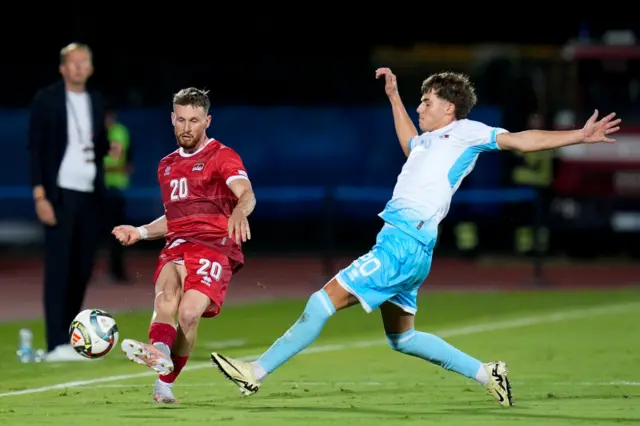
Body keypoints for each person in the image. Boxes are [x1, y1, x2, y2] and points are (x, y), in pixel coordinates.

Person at [209, 68, 621, 407]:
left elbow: (518, 141)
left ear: (450, 107)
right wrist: (394, 97)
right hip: (413, 247)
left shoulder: (466, 132)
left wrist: (577, 136)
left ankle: (255, 372)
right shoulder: (430, 141)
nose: (420, 107)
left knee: (322, 301)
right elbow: (411, 144)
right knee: (403, 338)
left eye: (426, 102)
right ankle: (486, 372)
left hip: (402, 243)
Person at [111, 87, 255, 404]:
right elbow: (173, 217)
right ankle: (158, 353)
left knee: (189, 315)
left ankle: (165, 380)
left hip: (215, 245)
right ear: (172, 119)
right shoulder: (166, 166)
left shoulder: (222, 157)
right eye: (181, 120)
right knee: (166, 298)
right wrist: (140, 231)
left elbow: (245, 192)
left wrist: (240, 211)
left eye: (194, 120)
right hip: (177, 243)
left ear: (207, 121)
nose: (187, 127)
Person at [27, 42, 118, 362]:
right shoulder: (47, 99)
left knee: (82, 267)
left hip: (90, 194)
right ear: (63, 68)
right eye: (73, 62)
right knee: (58, 270)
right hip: (59, 194)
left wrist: (110, 149)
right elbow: (35, 149)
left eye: (85, 62)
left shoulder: (95, 100)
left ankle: (70, 339)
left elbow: (97, 140)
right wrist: (41, 196)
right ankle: (54, 344)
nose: (79, 67)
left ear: (91, 68)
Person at [103, 107, 132, 283]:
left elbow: (115, 161)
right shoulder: (98, 132)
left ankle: (117, 272)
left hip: (114, 189)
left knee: (115, 233)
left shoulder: (118, 133)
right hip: (101, 190)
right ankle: (113, 272)